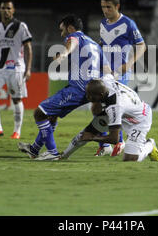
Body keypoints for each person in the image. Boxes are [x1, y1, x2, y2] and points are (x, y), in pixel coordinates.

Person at [18, 14, 110, 160]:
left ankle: (52, 153)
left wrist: (64, 54)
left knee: (39, 113)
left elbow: (71, 43)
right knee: (52, 115)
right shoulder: (94, 44)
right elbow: (107, 71)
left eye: (63, 30)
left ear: (70, 28)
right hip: (92, 90)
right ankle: (34, 149)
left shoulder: (74, 37)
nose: (62, 34)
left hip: (78, 89)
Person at [60, 75, 158, 162]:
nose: (88, 98)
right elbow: (110, 76)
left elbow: (114, 139)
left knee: (130, 158)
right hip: (126, 110)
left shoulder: (115, 107)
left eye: (91, 96)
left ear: (101, 95)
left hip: (140, 119)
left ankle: (149, 145)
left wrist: (92, 138)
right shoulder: (105, 80)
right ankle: (64, 156)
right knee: (88, 131)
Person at [95, 0, 147, 157]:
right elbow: (103, 44)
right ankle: (109, 142)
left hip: (121, 73)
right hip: (105, 73)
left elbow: (141, 45)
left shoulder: (128, 24)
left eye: (109, 7)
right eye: (103, 7)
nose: (105, 10)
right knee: (97, 107)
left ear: (117, 6)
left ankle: (119, 141)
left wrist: (130, 63)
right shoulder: (103, 24)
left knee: (114, 107)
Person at [0, 0, 33, 140]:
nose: (6, 11)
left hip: (16, 68)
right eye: (3, 8)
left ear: (13, 10)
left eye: (9, 8)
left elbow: (28, 47)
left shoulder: (20, 26)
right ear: (0, 10)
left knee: (16, 99)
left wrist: (28, 69)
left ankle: (17, 131)